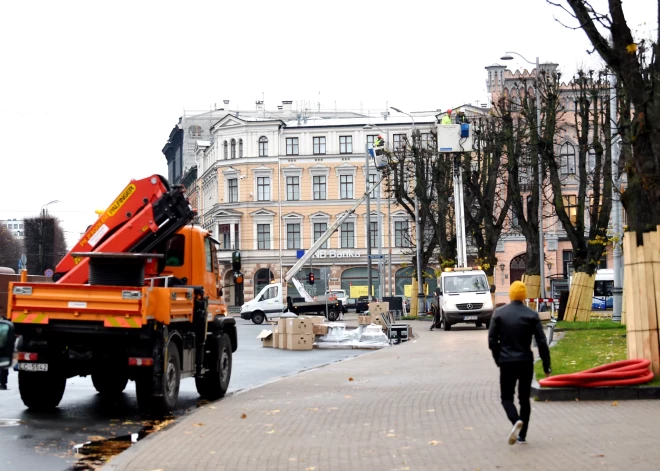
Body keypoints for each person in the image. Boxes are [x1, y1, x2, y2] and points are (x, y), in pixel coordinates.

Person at [488, 281, 551, 445]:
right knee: (524, 398)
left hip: (506, 362)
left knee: (506, 397)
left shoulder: (500, 314)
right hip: (525, 361)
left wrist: (498, 359)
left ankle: (515, 420)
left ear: (510, 294)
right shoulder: (531, 314)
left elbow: (492, 340)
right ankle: (522, 435)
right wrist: (546, 365)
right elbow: (542, 341)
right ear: (524, 295)